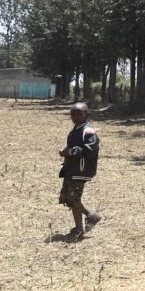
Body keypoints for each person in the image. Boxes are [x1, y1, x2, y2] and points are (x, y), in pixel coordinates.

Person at [57, 102, 102, 241]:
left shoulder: (88, 132)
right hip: (72, 170)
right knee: (69, 198)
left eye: (79, 114)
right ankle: (91, 216)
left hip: (80, 171)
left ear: (86, 115)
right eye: (73, 114)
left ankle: (78, 230)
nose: (75, 117)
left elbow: (90, 150)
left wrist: (69, 152)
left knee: (74, 200)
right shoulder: (76, 130)